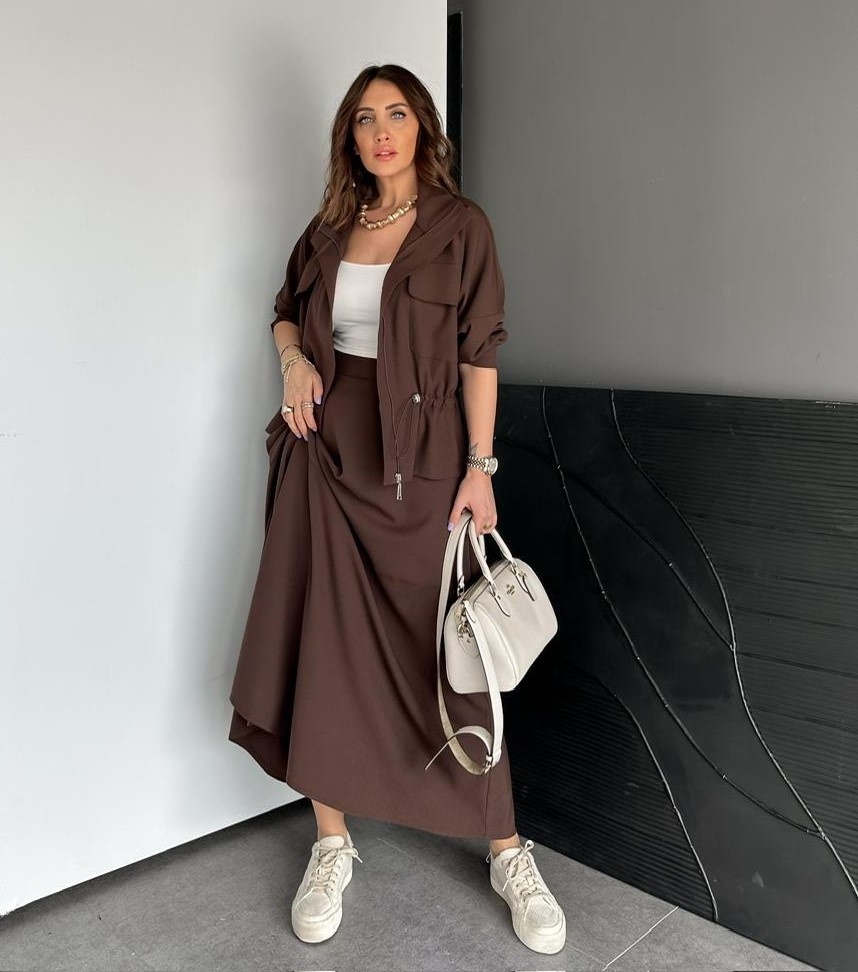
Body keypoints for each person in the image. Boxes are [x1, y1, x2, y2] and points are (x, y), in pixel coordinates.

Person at [228, 64, 566, 956]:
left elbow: (480, 352)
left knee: (450, 651)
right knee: (324, 644)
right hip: (325, 457)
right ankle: (331, 842)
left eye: (398, 114)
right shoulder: (331, 228)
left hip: (422, 465)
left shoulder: (462, 227)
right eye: (365, 118)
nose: (381, 131)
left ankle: (507, 849)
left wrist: (481, 467)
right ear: (350, 136)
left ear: (423, 128)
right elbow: (284, 314)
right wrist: (294, 363)